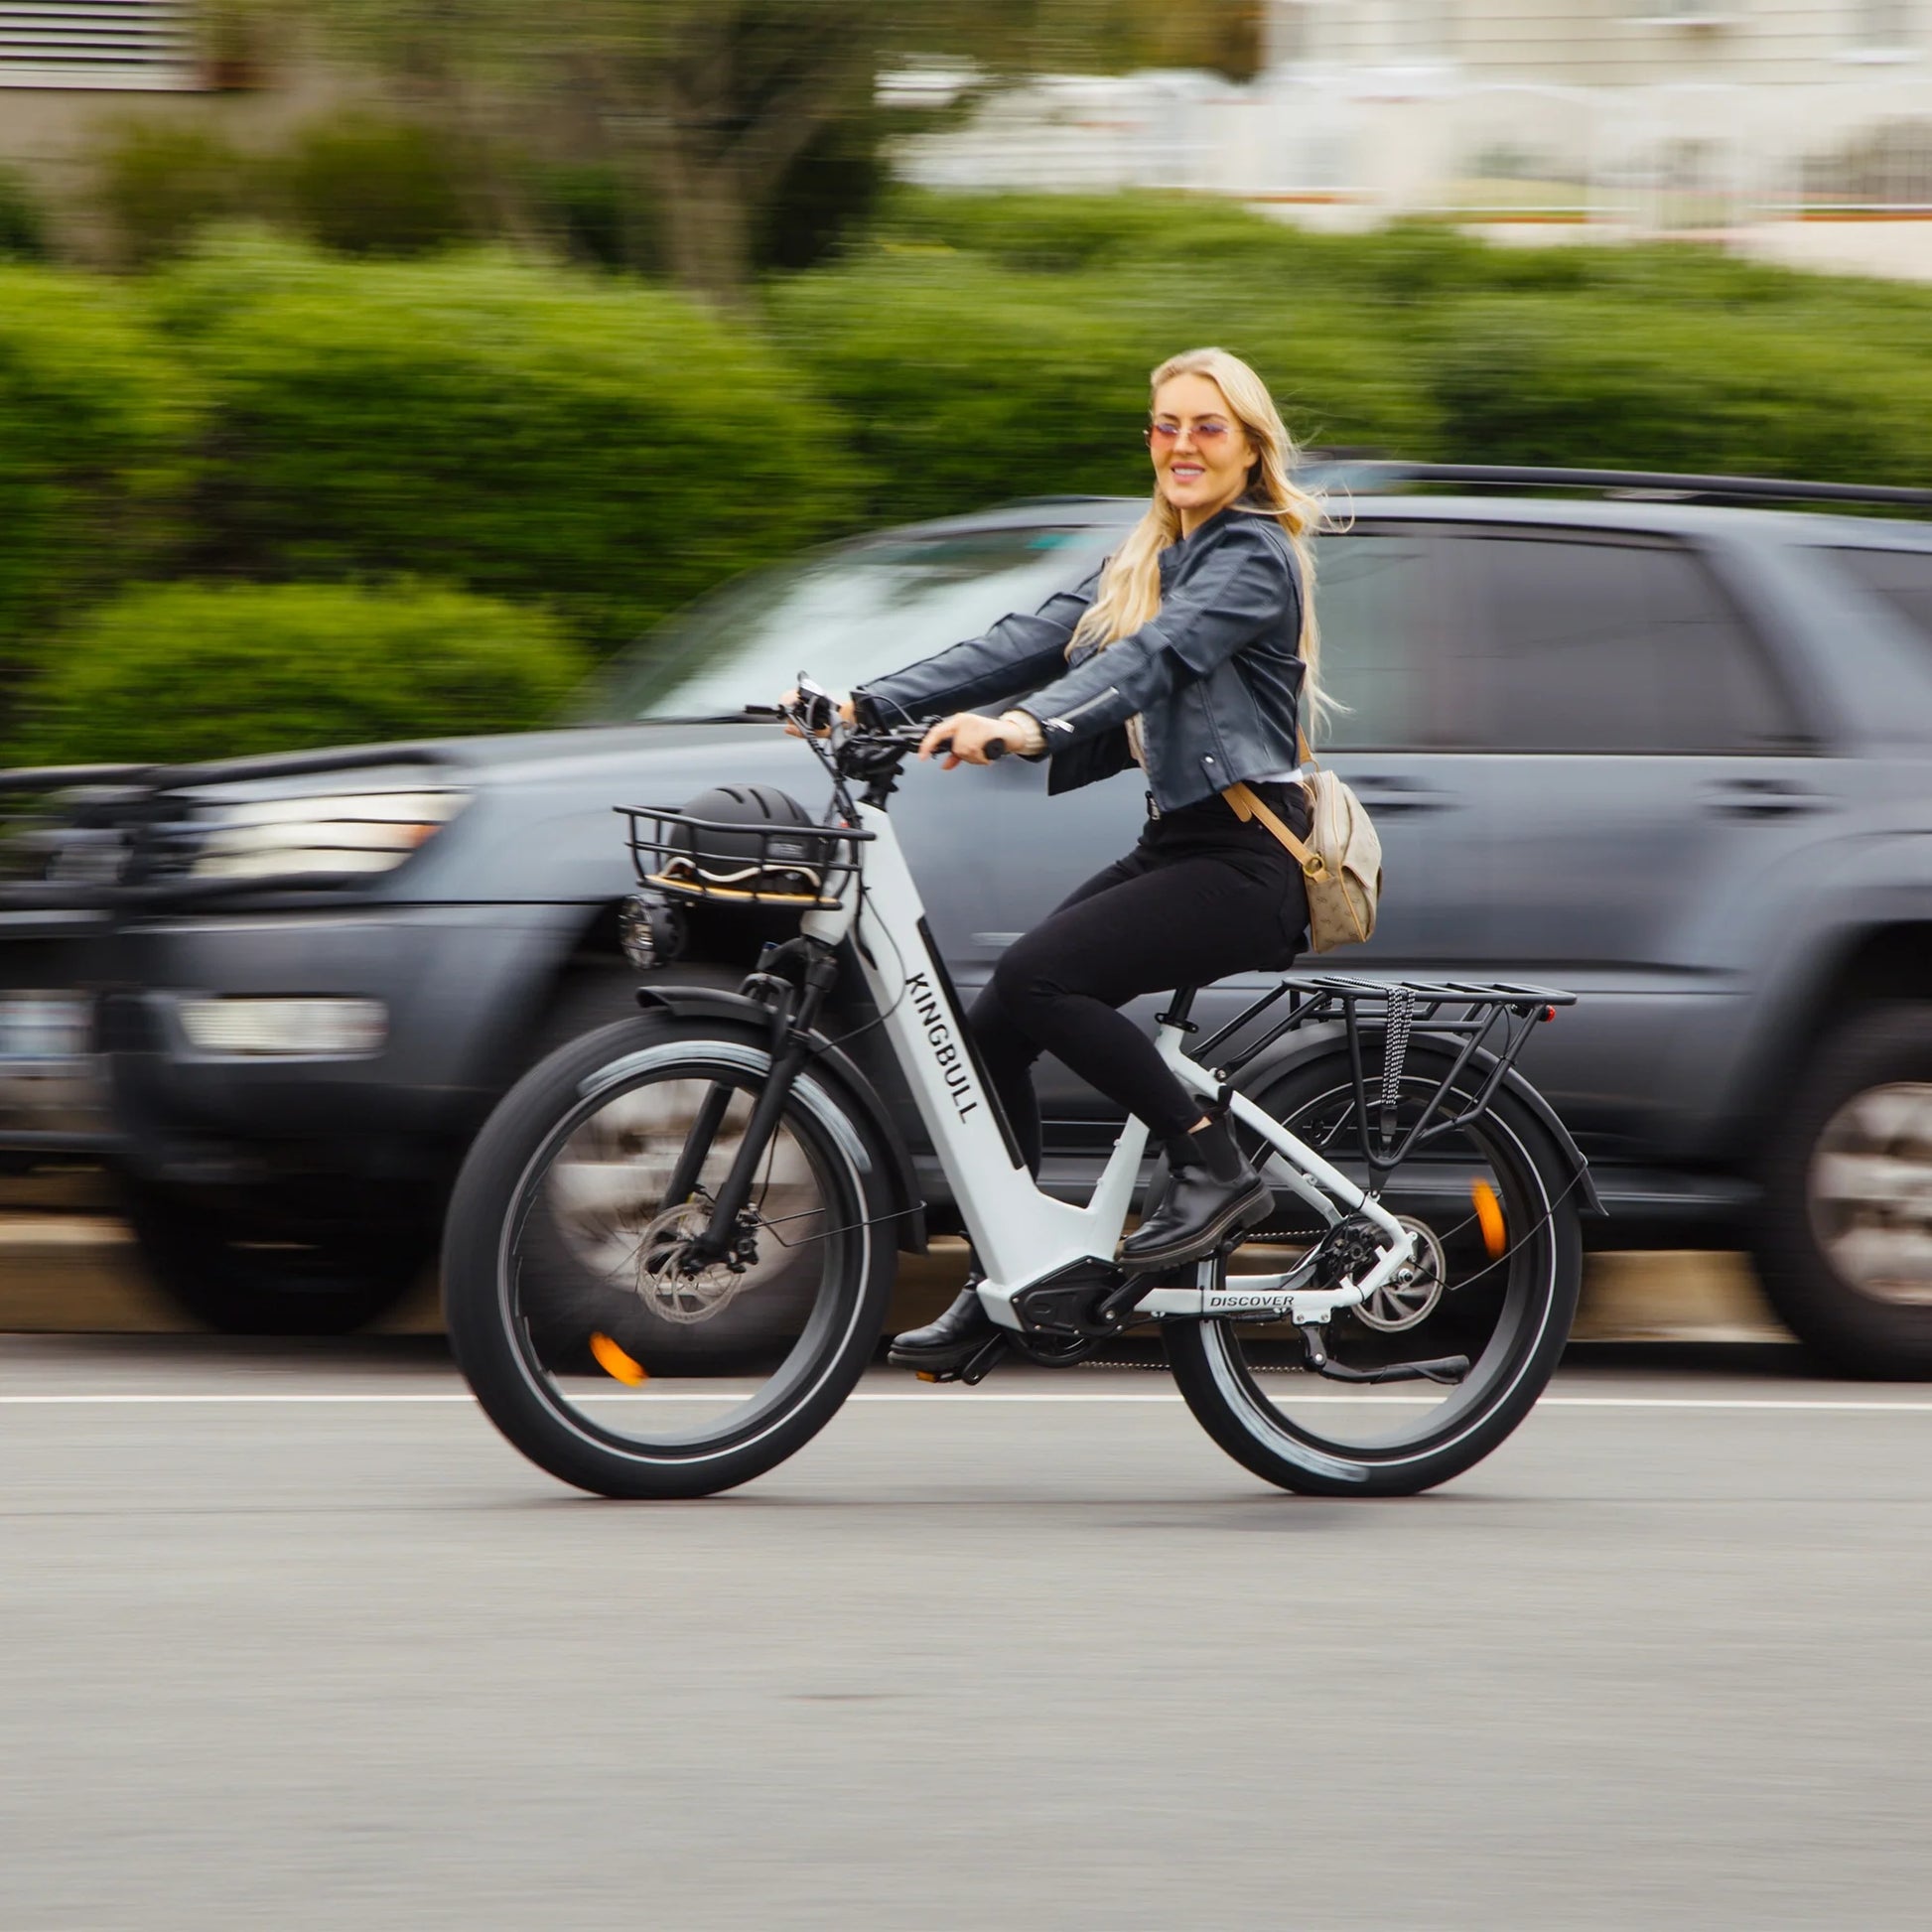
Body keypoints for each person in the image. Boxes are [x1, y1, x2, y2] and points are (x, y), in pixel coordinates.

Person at [803, 346, 1326, 1373]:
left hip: (1252, 856)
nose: (1180, 443)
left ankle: (1209, 1159)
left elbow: (1154, 657)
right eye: (1164, 424)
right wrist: (865, 702)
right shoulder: (1148, 551)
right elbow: (1023, 639)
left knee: (1041, 978)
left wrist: (1029, 729)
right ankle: (1015, 1270)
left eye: (1205, 426)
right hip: (1180, 842)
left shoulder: (1250, 556)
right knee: (995, 1020)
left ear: (1249, 446)